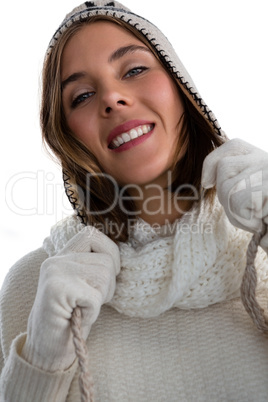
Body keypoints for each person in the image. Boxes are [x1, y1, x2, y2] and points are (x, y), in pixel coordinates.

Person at [1, 1, 268, 400]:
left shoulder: (260, 246)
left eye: (135, 70)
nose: (111, 97)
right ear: (68, 136)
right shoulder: (37, 289)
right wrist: (42, 359)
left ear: (181, 87)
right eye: (82, 95)